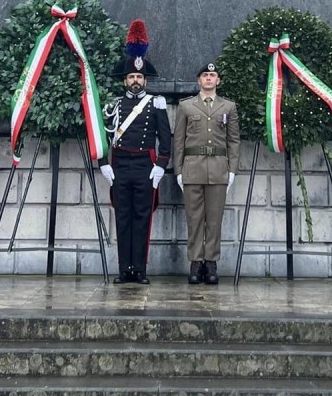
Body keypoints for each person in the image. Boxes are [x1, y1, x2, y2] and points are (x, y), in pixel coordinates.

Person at [99, 20, 171, 285]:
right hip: (119, 166)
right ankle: (123, 270)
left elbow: (165, 138)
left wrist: (161, 165)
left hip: (144, 165)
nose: (136, 81)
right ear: (125, 81)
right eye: (131, 77)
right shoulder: (114, 105)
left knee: (142, 218)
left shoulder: (156, 104)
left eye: (140, 77)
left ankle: (139, 270)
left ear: (145, 80)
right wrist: (102, 163)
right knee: (122, 217)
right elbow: (103, 136)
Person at [172, 62, 239, 285]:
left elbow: (233, 141)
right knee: (194, 219)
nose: (209, 79)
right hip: (192, 169)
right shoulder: (186, 106)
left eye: (212, 75)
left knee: (214, 219)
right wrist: (178, 170)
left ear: (218, 80)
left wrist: (232, 170)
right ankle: (195, 261)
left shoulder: (228, 107)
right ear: (199, 80)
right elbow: (178, 140)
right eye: (205, 75)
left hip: (219, 169)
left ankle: (210, 262)